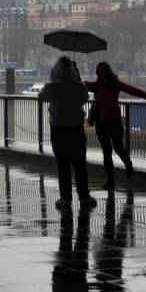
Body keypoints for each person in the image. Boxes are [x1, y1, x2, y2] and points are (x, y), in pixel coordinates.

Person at [86, 61, 146, 190]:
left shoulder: (115, 84)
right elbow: (81, 85)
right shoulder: (96, 85)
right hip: (102, 123)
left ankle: (128, 164)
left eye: (103, 71)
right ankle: (110, 181)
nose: (101, 73)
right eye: (99, 71)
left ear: (107, 72)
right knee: (107, 152)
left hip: (115, 122)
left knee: (118, 148)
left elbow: (133, 91)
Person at [39, 57, 96, 209]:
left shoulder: (51, 86)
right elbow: (83, 100)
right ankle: (84, 195)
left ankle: (65, 197)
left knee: (63, 164)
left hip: (58, 128)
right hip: (76, 128)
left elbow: (42, 97)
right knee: (80, 164)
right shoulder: (80, 87)